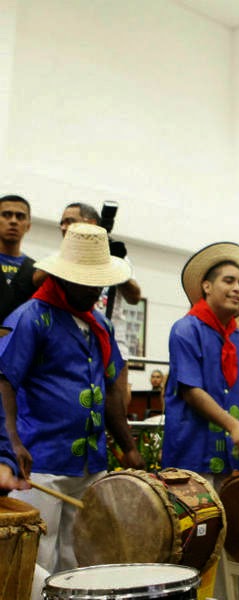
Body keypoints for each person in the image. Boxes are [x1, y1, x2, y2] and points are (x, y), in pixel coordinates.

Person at [0, 222, 143, 574]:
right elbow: (3, 380)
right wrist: (11, 442)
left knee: (81, 555)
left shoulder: (99, 324)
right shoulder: (31, 318)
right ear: (63, 277)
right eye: (87, 279)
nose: (95, 288)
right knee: (36, 557)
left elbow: (110, 390)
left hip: (89, 463)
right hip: (40, 460)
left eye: (99, 280)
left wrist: (129, 447)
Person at [161, 242, 239, 488]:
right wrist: (235, 425)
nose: (237, 289)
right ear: (207, 286)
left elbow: (237, 394)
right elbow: (191, 392)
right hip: (191, 451)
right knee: (192, 523)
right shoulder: (185, 329)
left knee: (223, 523)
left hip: (228, 455)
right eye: (229, 281)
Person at [58, 202, 142, 356]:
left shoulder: (116, 257)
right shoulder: (60, 258)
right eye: (61, 223)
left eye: (70, 222)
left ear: (91, 223)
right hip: (72, 337)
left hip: (112, 339)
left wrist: (116, 265)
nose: (63, 227)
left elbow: (134, 298)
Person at [0, 194, 39, 321]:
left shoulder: (36, 271)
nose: (13, 221)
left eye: (20, 216)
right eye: (6, 215)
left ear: (28, 225)